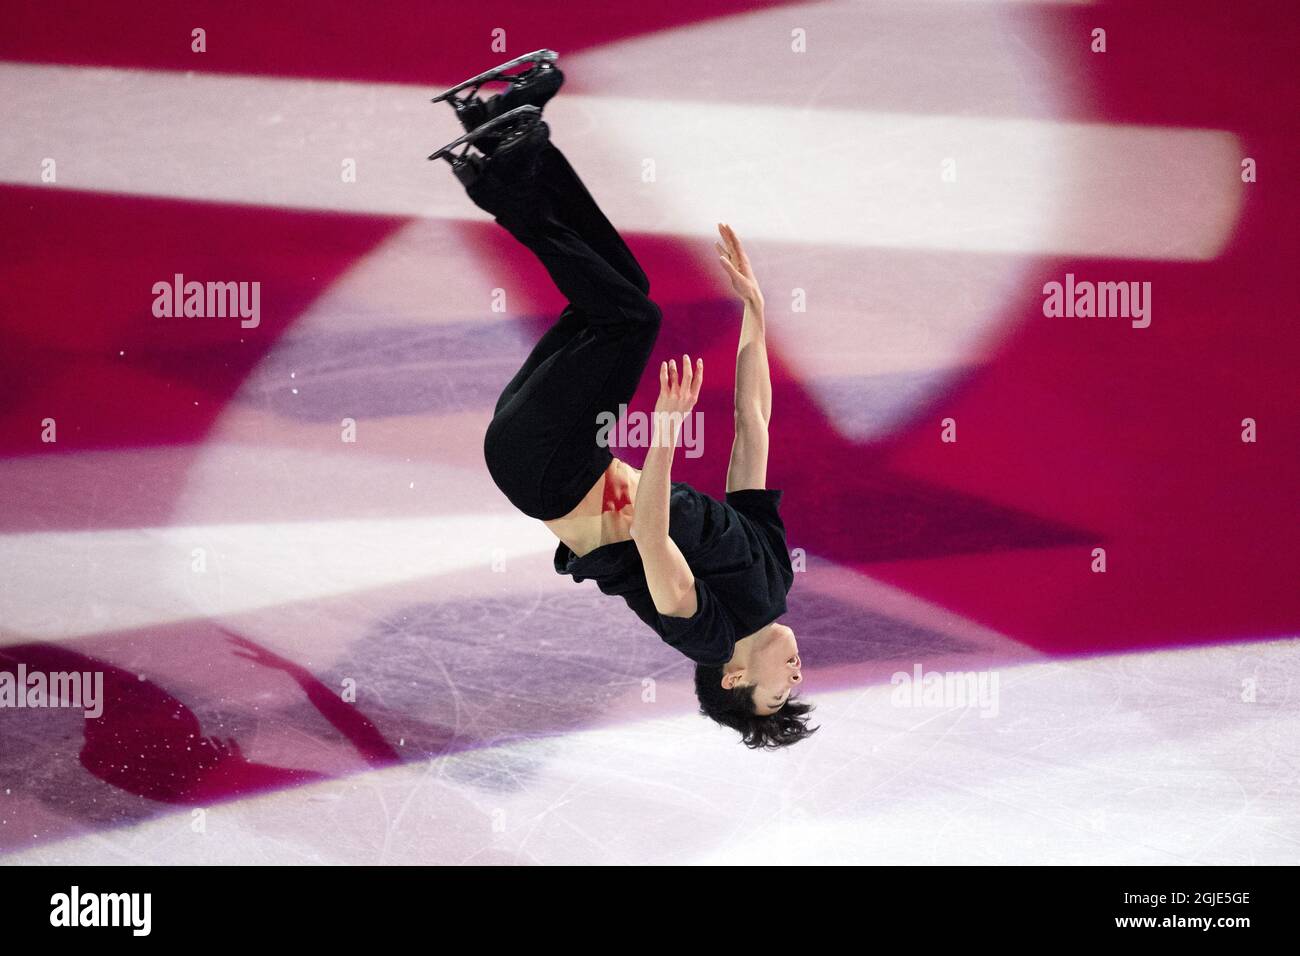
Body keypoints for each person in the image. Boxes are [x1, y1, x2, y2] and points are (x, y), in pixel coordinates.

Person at [431, 54, 816, 748]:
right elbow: (751, 428)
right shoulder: (772, 581)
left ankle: (494, 173)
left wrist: (664, 434)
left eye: (777, 693)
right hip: (565, 454)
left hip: (547, 470)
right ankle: (514, 140)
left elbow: (651, 536)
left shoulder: (706, 636)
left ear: (735, 680)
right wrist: (755, 313)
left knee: (629, 319)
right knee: (620, 294)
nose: (794, 675)